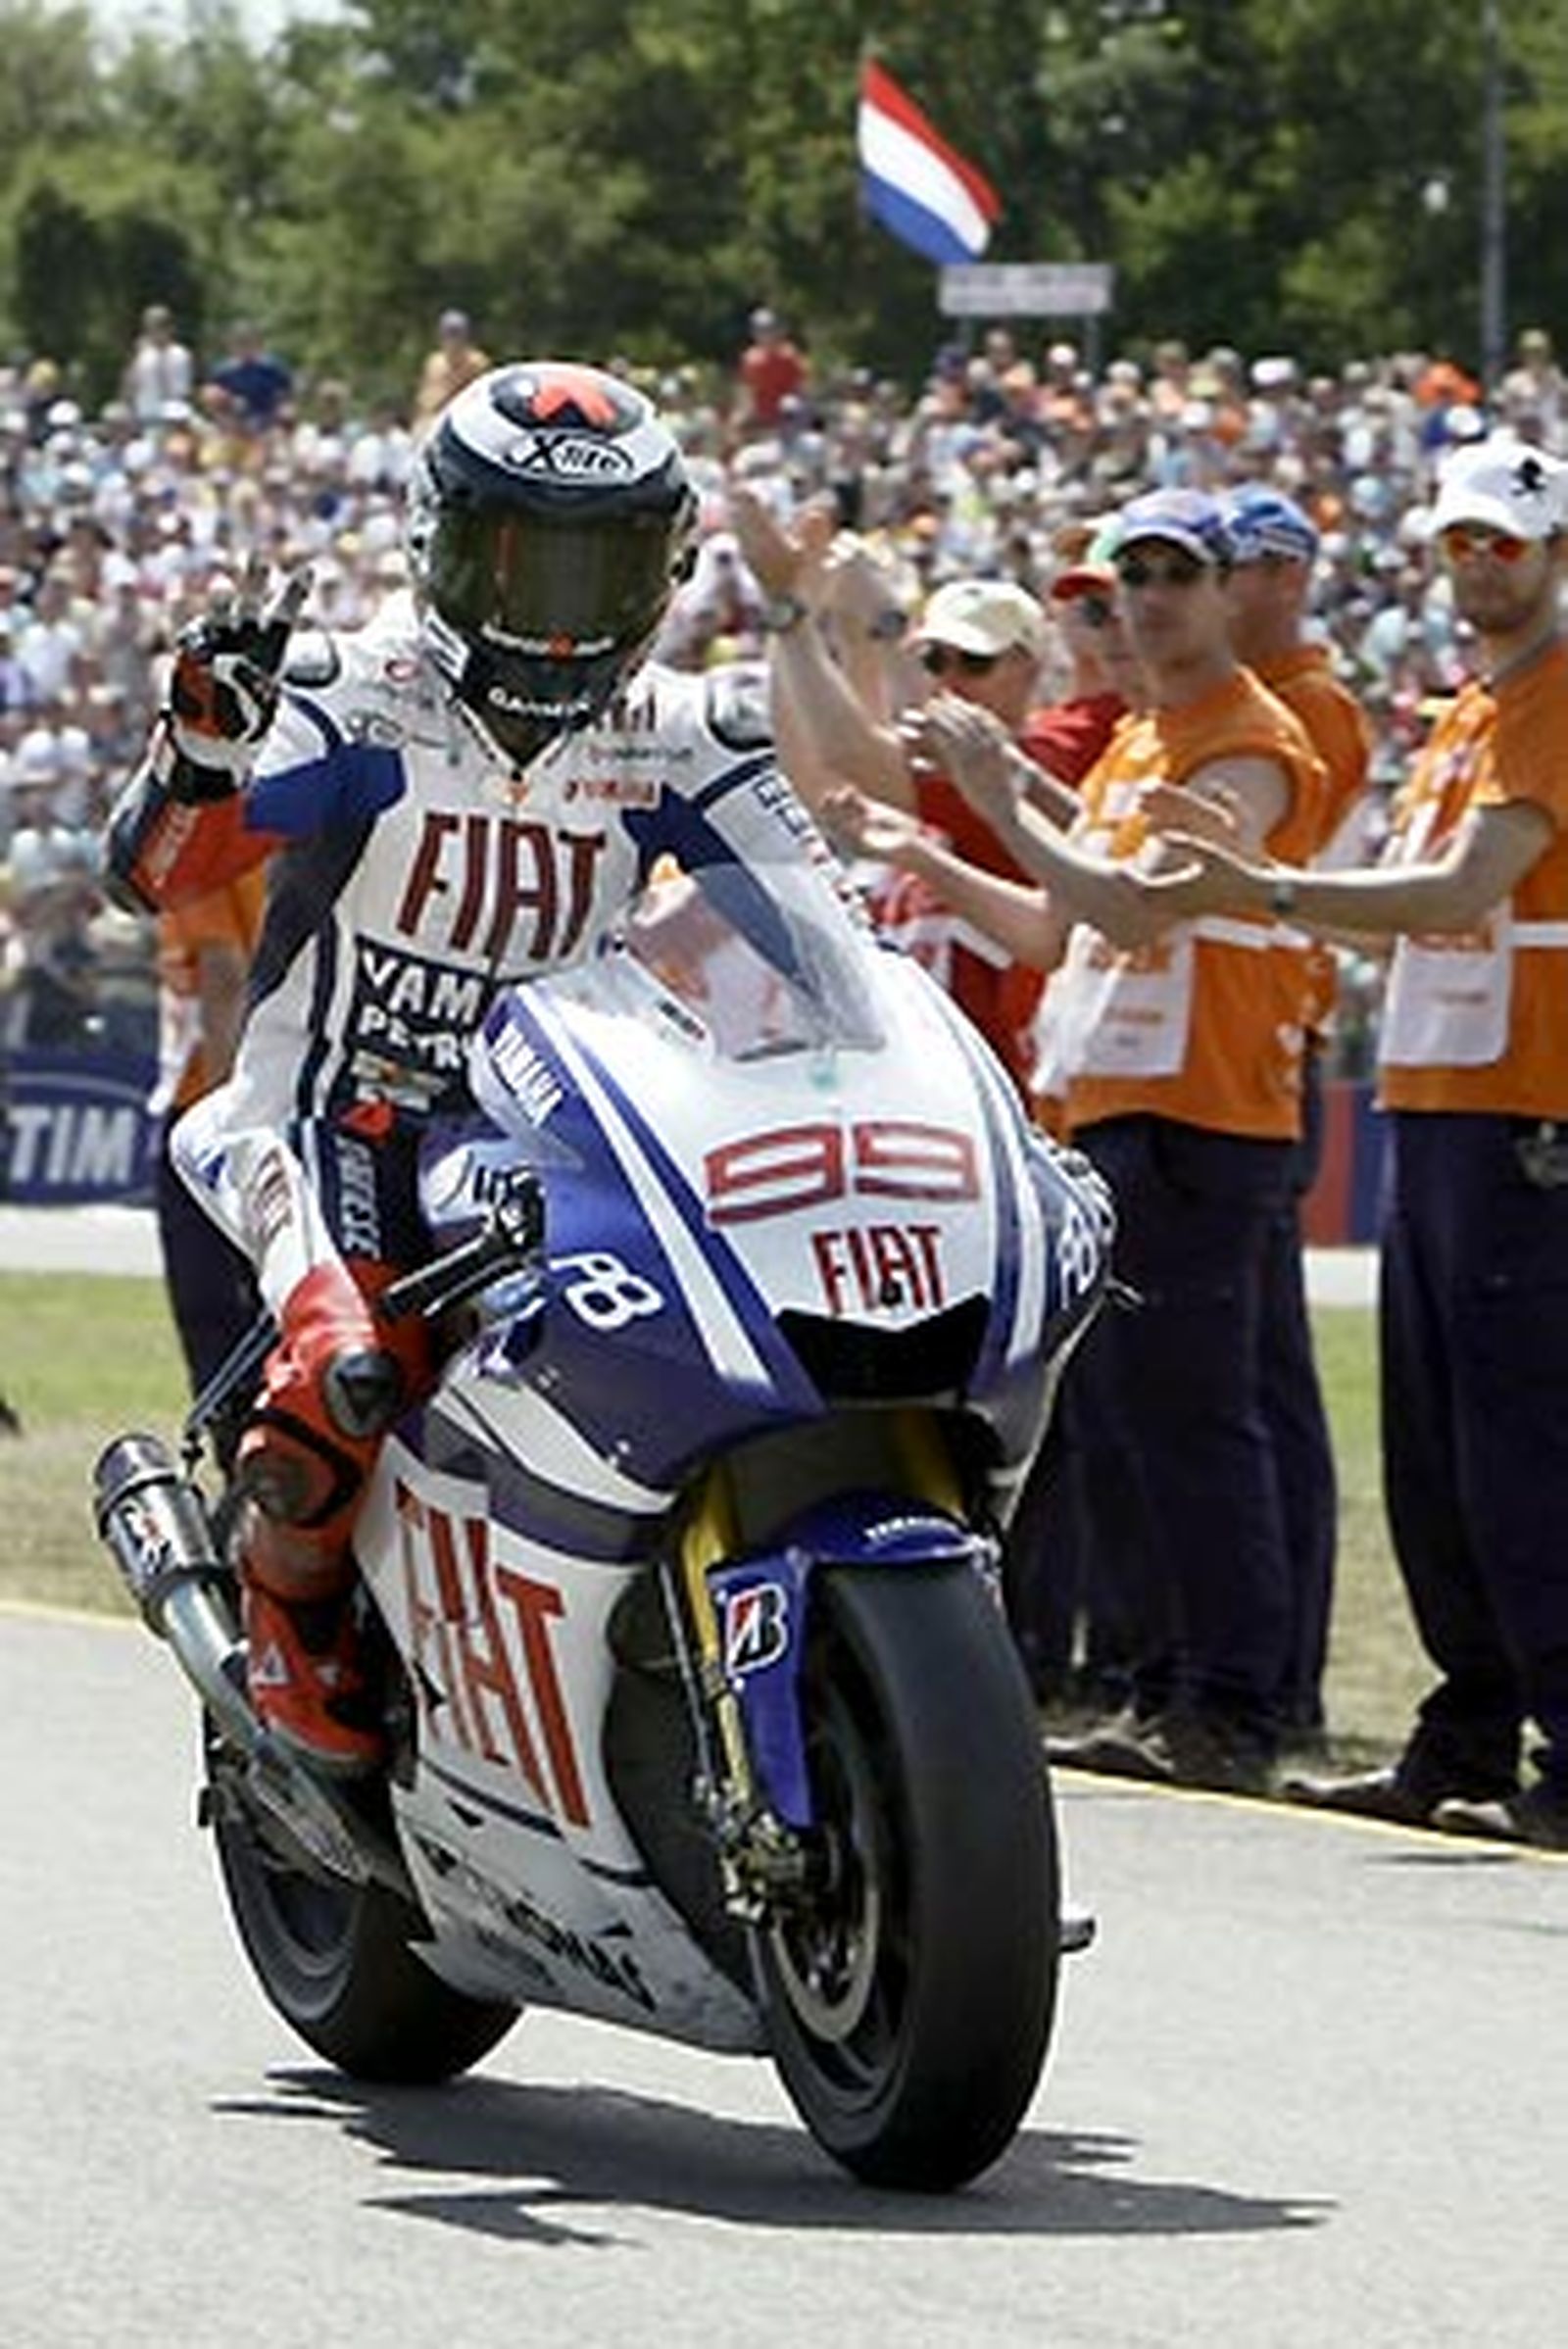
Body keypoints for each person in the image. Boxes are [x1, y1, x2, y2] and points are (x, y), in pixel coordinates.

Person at [106, 359, 829, 1777]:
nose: (555, 607)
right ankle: (288, 1615)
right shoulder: (353, 696)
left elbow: (827, 937)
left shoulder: (688, 727)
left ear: (666, 565)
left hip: (560, 1128)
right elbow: (154, 873)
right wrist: (199, 753)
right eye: (521, 558)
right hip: (330, 1112)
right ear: (442, 544)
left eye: (597, 564)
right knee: (352, 1366)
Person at [828, 488, 1328, 1790]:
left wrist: (1000, 784)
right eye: (1126, 583)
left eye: (1175, 573)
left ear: (1225, 592)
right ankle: (1168, 1683)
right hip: (1111, 1100)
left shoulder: (1248, 737)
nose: (1148, 600)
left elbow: (1128, 907)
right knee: (1131, 1421)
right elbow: (1055, 930)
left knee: (1202, 1420)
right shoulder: (1146, 744)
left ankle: (1234, 1700)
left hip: (1199, 1109)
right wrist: (938, 849)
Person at [1159, 435, 1568, 1849]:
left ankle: (1561, 1748)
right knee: (1437, 1445)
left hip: (1528, 1110)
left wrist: (1265, 889)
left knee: (1524, 1446)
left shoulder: (1554, 702)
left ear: (1555, 555)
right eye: (1458, 542)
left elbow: (1470, 883)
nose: (1474, 568)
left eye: (1502, 544)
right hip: (1444, 1101)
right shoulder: (1472, 710)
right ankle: (1466, 1728)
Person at [1217, 484, 1376, 1738]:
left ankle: (1279, 1676)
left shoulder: (1302, 709)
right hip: (1239, 1040)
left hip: (1264, 1038)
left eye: (1239, 568)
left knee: (1260, 1382)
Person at [150, 868, 267, 1414]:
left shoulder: (211, 862)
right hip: (267, 1104)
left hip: (214, 1110)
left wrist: (223, 1130)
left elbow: (223, 980)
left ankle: (240, 1451)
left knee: (213, 1310)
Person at [413, 309, 493, 428]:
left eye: (456, 334)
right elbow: (425, 397)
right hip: (434, 419)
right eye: (448, 333)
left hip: (466, 420)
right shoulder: (435, 362)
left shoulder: (477, 362)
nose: (453, 339)